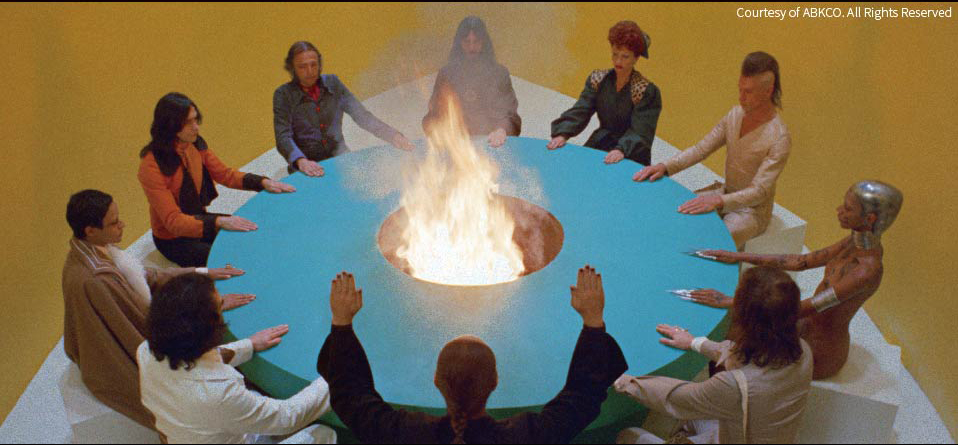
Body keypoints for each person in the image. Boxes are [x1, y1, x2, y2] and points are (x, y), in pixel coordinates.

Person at [316, 265, 628, 443]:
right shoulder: (523, 437)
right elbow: (581, 397)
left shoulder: (408, 435)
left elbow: (352, 397)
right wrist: (593, 320)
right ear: (495, 381)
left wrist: (342, 323)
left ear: (436, 380)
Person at [62, 190, 249, 431]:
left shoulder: (89, 251)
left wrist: (201, 272)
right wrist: (210, 307)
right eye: (114, 223)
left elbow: (147, 277)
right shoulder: (97, 281)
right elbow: (141, 324)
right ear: (90, 230)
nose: (122, 225)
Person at [686, 180, 903, 379]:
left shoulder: (865, 272)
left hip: (818, 351)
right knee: (732, 333)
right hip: (800, 325)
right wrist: (738, 256)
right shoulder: (853, 242)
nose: (839, 211)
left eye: (847, 208)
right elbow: (801, 261)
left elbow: (804, 308)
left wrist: (733, 301)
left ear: (870, 219)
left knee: (732, 356)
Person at [614, 267, 812, 444]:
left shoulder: (733, 387)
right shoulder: (803, 351)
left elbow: (677, 398)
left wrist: (620, 379)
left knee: (629, 435)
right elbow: (741, 356)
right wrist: (694, 342)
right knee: (695, 416)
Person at [138, 273, 336, 444]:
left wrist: (249, 344)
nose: (224, 307)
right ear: (206, 329)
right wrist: (335, 374)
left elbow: (200, 361)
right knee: (323, 433)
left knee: (253, 402)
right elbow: (286, 417)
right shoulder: (219, 393)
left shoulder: (146, 350)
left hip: (193, 432)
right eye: (220, 306)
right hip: (222, 423)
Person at [634, 52, 790, 250]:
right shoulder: (735, 115)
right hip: (725, 192)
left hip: (751, 211)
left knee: (711, 244)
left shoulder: (779, 138)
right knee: (674, 216)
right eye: (740, 89)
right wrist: (665, 167)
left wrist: (718, 201)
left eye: (748, 92)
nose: (741, 97)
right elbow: (701, 149)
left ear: (768, 91)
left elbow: (759, 192)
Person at [139, 92, 296, 267]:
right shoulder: (150, 167)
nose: (196, 127)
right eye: (188, 123)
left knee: (254, 234)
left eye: (196, 119)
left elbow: (225, 174)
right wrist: (219, 222)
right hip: (173, 239)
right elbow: (174, 222)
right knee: (236, 258)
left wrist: (262, 182)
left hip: (199, 219)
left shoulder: (193, 144)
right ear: (170, 126)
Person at [273, 41, 416, 178]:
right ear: (292, 69)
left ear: (319, 64)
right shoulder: (283, 95)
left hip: (340, 158)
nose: (310, 71)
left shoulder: (333, 83)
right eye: (302, 67)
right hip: (305, 167)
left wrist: (393, 136)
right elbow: (283, 136)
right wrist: (300, 161)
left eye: (313, 64)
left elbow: (362, 116)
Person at [548, 20, 662, 166]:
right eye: (615, 54)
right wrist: (563, 133)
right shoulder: (598, 79)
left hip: (631, 153)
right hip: (601, 143)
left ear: (636, 58)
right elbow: (581, 110)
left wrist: (621, 150)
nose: (618, 61)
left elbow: (642, 131)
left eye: (625, 56)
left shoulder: (645, 91)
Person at [422, 16, 521, 148]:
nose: (472, 47)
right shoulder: (446, 74)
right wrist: (441, 132)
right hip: (456, 149)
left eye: (476, 41)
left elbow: (510, 115)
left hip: (492, 146)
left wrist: (501, 130)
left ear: (484, 42)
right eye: (467, 41)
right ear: (459, 43)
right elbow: (433, 116)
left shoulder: (499, 73)